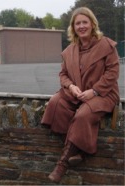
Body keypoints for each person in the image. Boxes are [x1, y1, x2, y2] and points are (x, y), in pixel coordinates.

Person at [41, 7, 120, 183]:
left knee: (83, 114)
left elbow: (112, 73)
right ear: (73, 27)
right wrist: (70, 87)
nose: (82, 26)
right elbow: (63, 75)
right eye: (78, 23)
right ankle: (79, 151)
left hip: (103, 94)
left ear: (92, 24)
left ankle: (62, 164)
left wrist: (94, 91)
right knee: (56, 102)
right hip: (78, 93)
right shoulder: (69, 50)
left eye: (85, 22)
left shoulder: (107, 45)